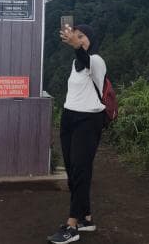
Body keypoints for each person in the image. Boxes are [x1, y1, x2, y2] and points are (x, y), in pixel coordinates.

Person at [47, 24, 107, 244]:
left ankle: (72, 226)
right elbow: (80, 60)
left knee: (81, 169)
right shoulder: (76, 64)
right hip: (69, 117)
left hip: (88, 120)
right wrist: (75, 48)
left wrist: (76, 46)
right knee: (73, 170)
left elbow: (85, 58)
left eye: (83, 37)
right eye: (76, 36)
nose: (79, 39)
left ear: (90, 40)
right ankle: (86, 218)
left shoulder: (97, 61)